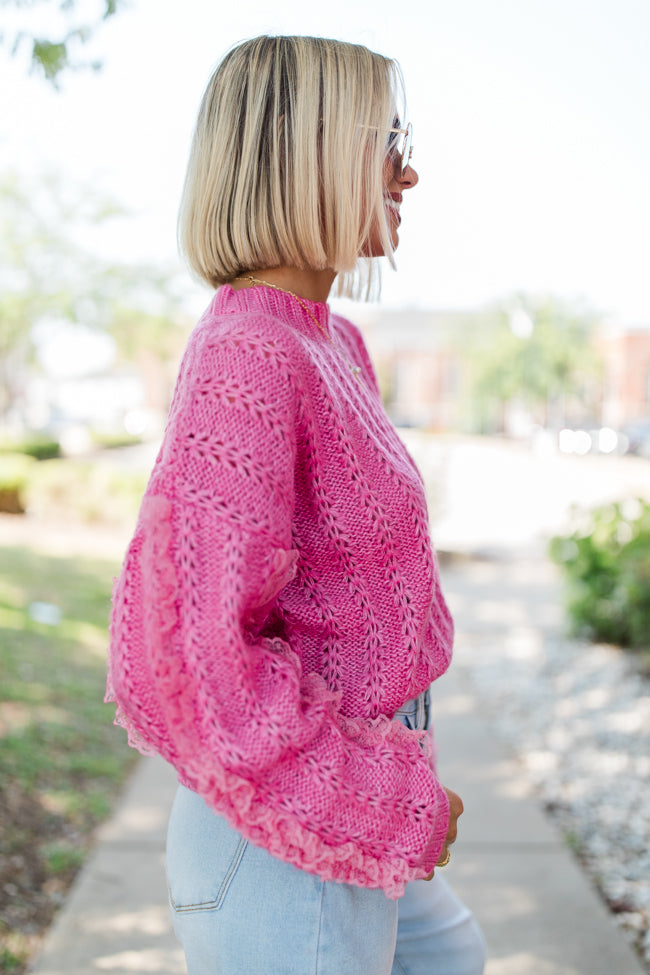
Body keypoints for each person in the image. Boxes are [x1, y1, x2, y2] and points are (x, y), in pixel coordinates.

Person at [106, 34, 487, 975]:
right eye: (387, 138)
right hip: (284, 846)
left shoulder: (331, 343)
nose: (410, 170)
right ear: (309, 150)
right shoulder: (249, 354)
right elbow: (196, 664)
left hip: (344, 794)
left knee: (452, 959)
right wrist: (394, 799)